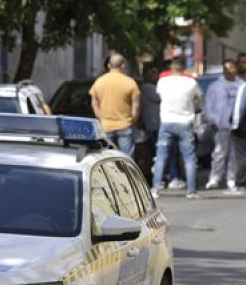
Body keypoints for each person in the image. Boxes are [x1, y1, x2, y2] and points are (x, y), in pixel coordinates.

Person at [150, 58, 202, 199]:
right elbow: (198, 98)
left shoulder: (162, 82)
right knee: (189, 157)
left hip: (166, 122)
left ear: (171, 68)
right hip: (185, 122)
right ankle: (191, 191)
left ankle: (155, 188)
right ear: (184, 68)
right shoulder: (191, 83)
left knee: (161, 156)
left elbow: (160, 95)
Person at [89, 53, 140, 157]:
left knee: (106, 158)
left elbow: (94, 103)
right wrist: (132, 120)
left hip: (106, 125)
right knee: (127, 159)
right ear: (123, 65)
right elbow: (136, 106)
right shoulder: (130, 83)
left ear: (108, 65)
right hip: (125, 124)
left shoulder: (99, 82)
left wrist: (101, 118)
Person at [204, 58, 243, 191]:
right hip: (221, 125)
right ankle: (215, 177)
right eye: (226, 69)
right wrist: (211, 120)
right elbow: (208, 105)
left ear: (236, 69)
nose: (229, 71)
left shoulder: (242, 85)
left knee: (234, 155)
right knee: (219, 153)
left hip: (238, 126)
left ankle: (232, 179)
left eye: (231, 68)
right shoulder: (215, 86)